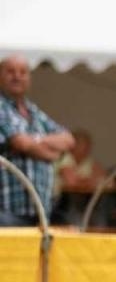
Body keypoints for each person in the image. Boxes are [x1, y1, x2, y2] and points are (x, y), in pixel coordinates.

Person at [0, 55, 75, 227]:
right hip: (7, 212)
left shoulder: (33, 111)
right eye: (10, 71)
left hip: (40, 213)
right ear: (0, 75)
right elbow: (20, 143)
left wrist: (34, 141)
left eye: (22, 72)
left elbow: (69, 140)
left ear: (29, 78)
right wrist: (50, 151)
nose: (17, 76)